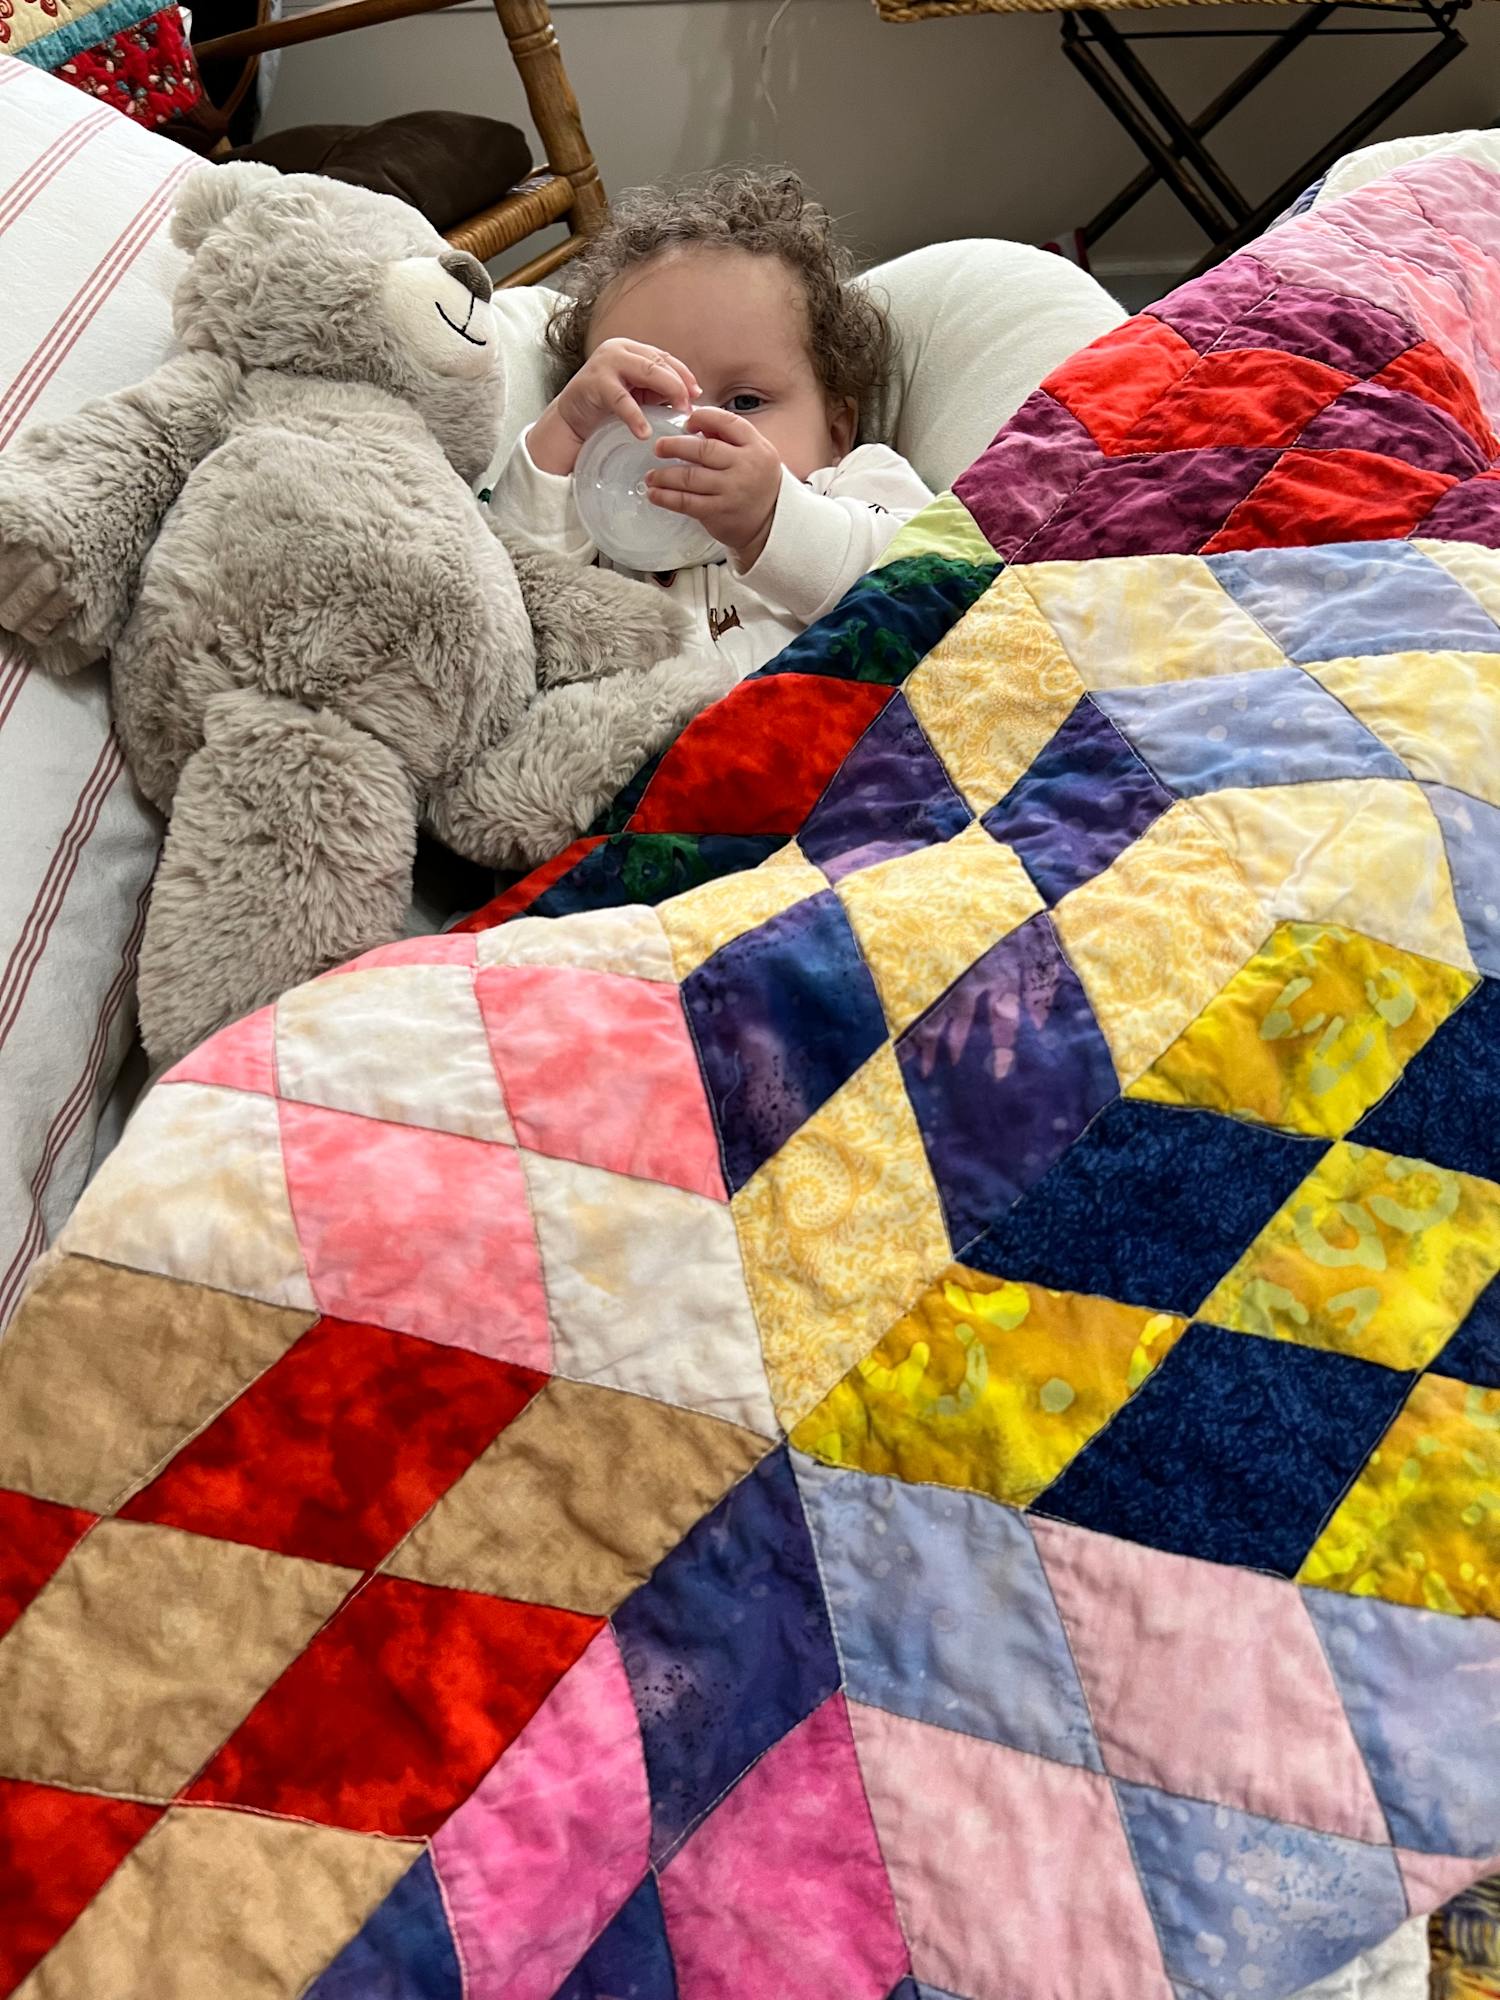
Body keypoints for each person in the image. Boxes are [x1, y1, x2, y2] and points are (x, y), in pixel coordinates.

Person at [489, 168, 933, 684]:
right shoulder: (592, 532)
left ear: (836, 432)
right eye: (645, 405)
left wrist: (772, 522)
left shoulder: (853, 485)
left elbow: (934, 591)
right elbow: (504, 599)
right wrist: (563, 433)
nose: (688, 438)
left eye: (744, 402)